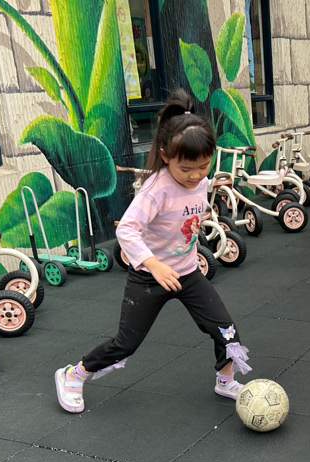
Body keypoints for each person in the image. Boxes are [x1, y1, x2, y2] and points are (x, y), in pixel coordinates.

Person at [55, 90, 251, 413]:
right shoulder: (155, 190)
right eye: (186, 169)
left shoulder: (201, 182)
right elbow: (126, 230)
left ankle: (225, 379)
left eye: (203, 166)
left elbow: (188, 211)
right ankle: (74, 374)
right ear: (164, 155)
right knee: (126, 343)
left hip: (187, 273)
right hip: (149, 277)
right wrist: (154, 264)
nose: (195, 176)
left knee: (226, 331)